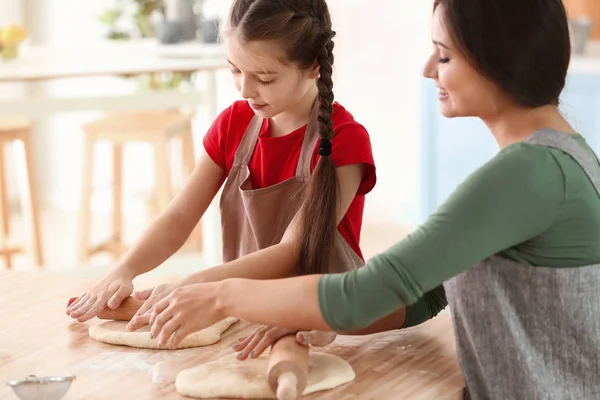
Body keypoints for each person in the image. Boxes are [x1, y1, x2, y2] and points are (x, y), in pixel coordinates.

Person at [146, 0, 600, 398]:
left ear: (498, 60)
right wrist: (317, 319)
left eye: (443, 55)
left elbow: (365, 292)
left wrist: (221, 296)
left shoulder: (526, 175)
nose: (428, 69)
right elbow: (426, 293)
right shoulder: (564, 157)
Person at [66, 0, 379, 355]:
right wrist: (124, 269)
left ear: (313, 67)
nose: (244, 90)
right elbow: (179, 216)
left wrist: (196, 285)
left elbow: (294, 250)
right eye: (235, 71)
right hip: (245, 314)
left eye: (264, 78)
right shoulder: (233, 124)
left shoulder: (344, 139)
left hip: (323, 321)